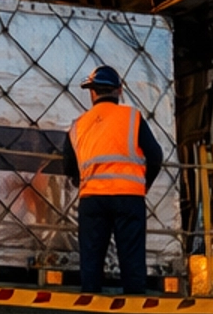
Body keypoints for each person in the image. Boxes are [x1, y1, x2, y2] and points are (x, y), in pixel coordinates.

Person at [64, 63, 164, 293]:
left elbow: (69, 167)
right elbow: (155, 156)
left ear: (92, 92)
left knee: (91, 259)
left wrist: (86, 182)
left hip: (92, 199)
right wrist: (142, 185)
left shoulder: (78, 125)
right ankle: (135, 309)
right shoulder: (132, 118)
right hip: (129, 198)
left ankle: (90, 308)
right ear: (119, 90)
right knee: (131, 258)